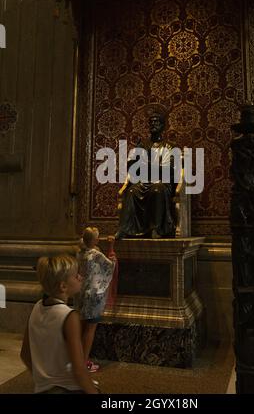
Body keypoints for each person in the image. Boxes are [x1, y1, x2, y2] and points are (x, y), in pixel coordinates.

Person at [20, 255, 99, 394]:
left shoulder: (37, 307)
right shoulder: (69, 316)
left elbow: (25, 354)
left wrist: (43, 380)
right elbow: (79, 370)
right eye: (76, 275)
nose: (80, 277)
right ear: (63, 286)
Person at [115, 111, 177, 239]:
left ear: (162, 126)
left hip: (162, 182)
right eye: (151, 122)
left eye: (157, 122)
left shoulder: (169, 147)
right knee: (132, 192)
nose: (153, 124)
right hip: (143, 181)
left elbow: (168, 170)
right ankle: (126, 229)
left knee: (156, 189)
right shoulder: (142, 146)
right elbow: (132, 167)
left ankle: (156, 228)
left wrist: (145, 166)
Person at [74, 228, 117, 372]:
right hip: (93, 295)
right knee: (90, 329)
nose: (99, 240)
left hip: (80, 293)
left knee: (80, 327)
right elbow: (110, 264)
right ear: (94, 240)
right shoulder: (96, 254)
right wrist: (111, 246)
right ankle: (84, 363)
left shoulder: (80, 253)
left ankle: (75, 359)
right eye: (97, 238)